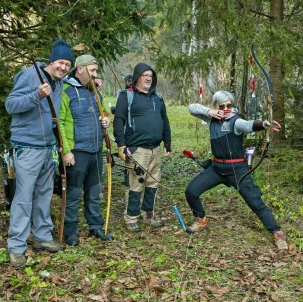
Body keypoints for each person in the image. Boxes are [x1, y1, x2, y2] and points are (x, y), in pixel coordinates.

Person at [185, 91, 288, 250]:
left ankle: (277, 232)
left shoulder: (235, 120)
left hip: (237, 170)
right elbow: (192, 108)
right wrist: (210, 111)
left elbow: (248, 125)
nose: (226, 108)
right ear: (216, 105)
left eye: (229, 105)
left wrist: (265, 124)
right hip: (217, 168)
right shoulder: (211, 117)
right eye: (222, 106)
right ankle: (201, 219)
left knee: (255, 203)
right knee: (191, 191)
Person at [5, 39, 73, 267]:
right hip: (27, 148)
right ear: (52, 61)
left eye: (67, 65)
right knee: (23, 198)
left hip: (47, 149)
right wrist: (36, 96)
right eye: (61, 62)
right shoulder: (29, 75)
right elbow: (11, 105)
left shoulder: (58, 83)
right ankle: (16, 246)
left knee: (43, 195)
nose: (64, 68)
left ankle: (42, 237)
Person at [59, 54, 114, 246]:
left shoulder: (95, 91)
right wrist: (66, 151)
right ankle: (71, 232)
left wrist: (107, 119)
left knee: (94, 192)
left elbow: (106, 112)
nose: (95, 74)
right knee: (73, 194)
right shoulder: (66, 91)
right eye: (92, 71)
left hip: (96, 150)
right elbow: (60, 123)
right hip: (77, 152)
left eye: (96, 71)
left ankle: (95, 227)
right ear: (80, 69)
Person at [113, 63, 171, 232]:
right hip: (137, 149)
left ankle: (148, 215)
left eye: (151, 76)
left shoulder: (157, 98)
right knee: (136, 184)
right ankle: (131, 218)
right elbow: (118, 121)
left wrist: (167, 143)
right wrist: (122, 145)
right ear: (137, 77)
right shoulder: (127, 96)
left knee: (153, 183)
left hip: (155, 149)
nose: (148, 78)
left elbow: (165, 121)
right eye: (145, 75)